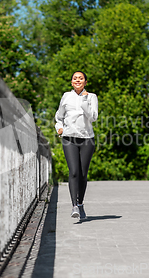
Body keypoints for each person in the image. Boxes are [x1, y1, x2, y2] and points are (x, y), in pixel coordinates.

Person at [55, 71, 98, 220]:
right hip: (69, 138)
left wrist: (85, 101)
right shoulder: (66, 96)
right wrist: (59, 127)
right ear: (72, 82)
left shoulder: (92, 97)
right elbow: (58, 117)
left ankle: (80, 204)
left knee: (82, 174)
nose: (78, 80)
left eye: (81, 78)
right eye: (75, 78)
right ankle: (74, 206)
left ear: (85, 82)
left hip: (87, 139)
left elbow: (93, 117)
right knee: (73, 172)